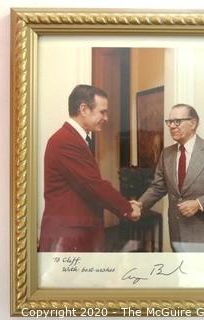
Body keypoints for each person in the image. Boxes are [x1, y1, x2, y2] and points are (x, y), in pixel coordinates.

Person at [38, 84, 141, 252]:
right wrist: (127, 209)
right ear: (83, 109)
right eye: (102, 112)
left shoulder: (73, 138)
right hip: (68, 237)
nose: (106, 118)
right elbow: (93, 185)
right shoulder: (66, 141)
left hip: (75, 234)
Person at [136, 104, 204, 252]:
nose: (172, 126)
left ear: (193, 123)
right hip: (177, 234)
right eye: (169, 122)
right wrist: (139, 205)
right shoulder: (167, 153)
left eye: (177, 121)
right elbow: (158, 186)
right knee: (183, 275)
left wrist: (199, 203)